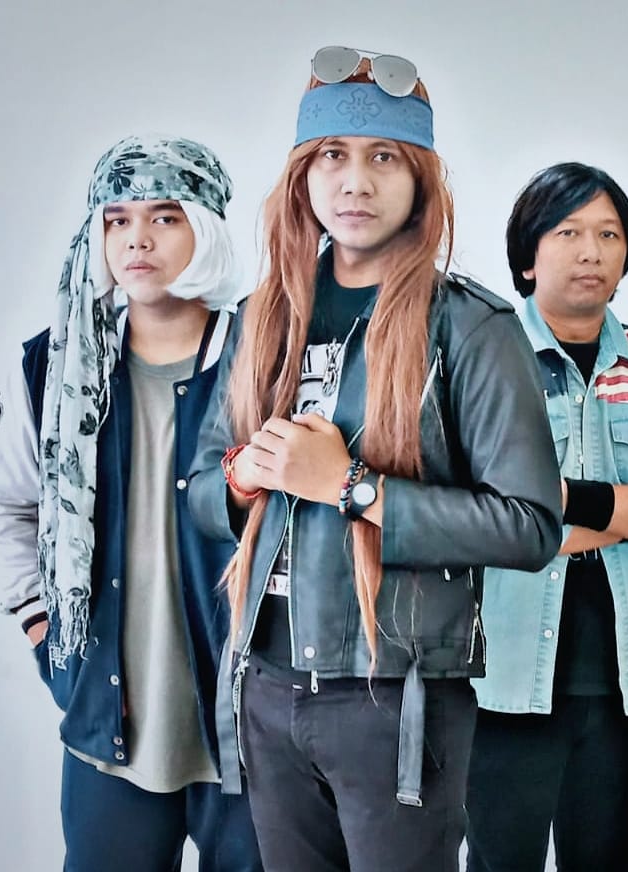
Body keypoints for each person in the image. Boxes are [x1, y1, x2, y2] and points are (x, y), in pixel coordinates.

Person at [187, 46, 563, 872]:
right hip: (267, 686)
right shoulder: (263, 317)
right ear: (302, 176)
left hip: (395, 698)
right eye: (333, 155)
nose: (355, 182)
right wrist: (246, 475)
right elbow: (202, 495)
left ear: (420, 178)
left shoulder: (470, 327)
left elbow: (530, 526)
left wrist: (352, 488)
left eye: (384, 157)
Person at [0, 135, 263, 871]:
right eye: (117, 219)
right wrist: (42, 629)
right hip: (110, 725)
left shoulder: (266, 361)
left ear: (206, 229)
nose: (137, 239)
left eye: (165, 216)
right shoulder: (52, 367)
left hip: (254, 726)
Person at [465, 162, 628, 872]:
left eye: (609, 235)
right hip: (498, 684)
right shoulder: (478, 358)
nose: (591, 251)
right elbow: (468, 513)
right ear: (527, 257)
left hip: (624, 687)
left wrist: (557, 504)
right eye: (568, 232)